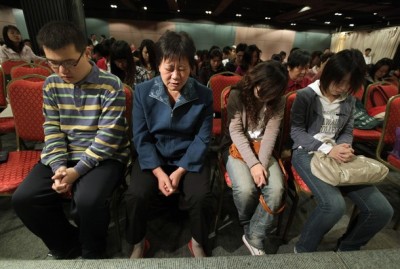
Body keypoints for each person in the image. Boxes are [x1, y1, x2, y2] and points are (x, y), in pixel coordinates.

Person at [11, 21, 130, 259]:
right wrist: (59, 167)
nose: (62, 70)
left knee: (87, 201)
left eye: (69, 62)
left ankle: (92, 250)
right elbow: (52, 129)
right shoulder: (51, 84)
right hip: (63, 154)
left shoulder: (110, 84)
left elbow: (108, 137)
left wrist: (77, 171)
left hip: (104, 155)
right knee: (25, 199)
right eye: (53, 63)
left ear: (86, 51)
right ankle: (68, 244)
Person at [290, 49, 393, 253]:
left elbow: (347, 130)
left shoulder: (348, 99)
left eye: (350, 84)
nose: (344, 88)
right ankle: (302, 249)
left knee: (382, 210)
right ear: (329, 75)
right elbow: (297, 132)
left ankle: (348, 247)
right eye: (340, 82)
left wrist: (345, 146)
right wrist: (327, 149)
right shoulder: (306, 96)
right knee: (333, 206)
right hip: (307, 152)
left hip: (338, 156)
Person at [125, 30, 214, 258]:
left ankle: (197, 241)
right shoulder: (143, 92)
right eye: (169, 68)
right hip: (154, 156)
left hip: (188, 157)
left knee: (202, 196)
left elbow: (203, 137)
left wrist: (181, 170)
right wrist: (158, 172)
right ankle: (138, 242)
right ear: (158, 65)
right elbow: (141, 136)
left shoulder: (203, 94)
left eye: (182, 68)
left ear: (191, 66)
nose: (176, 76)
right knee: (136, 194)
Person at [221, 60, 288, 255]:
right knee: (245, 189)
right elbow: (236, 132)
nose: (266, 97)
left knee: (276, 189)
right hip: (237, 146)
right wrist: (254, 165)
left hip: (263, 148)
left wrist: (262, 164)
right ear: (255, 81)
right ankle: (248, 222)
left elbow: (270, 135)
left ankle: (254, 234)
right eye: (263, 91)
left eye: (272, 94)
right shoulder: (237, 94)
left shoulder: (279, 100)